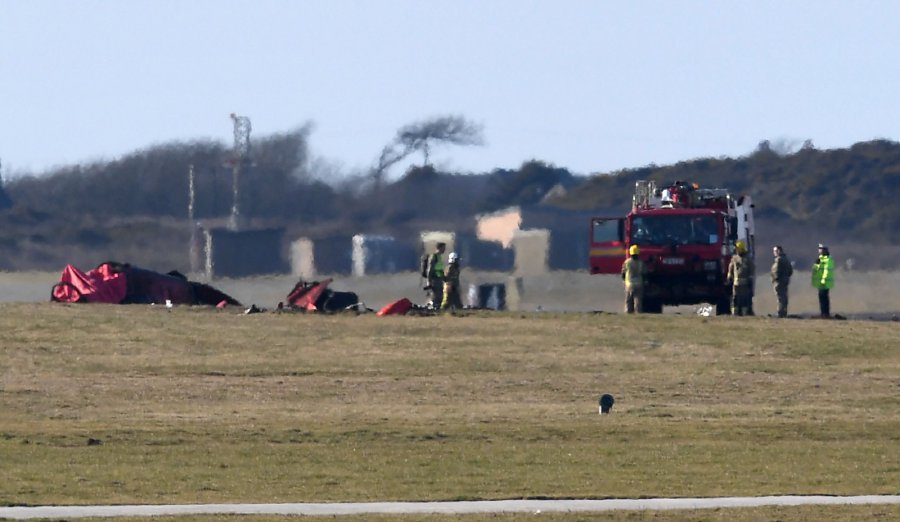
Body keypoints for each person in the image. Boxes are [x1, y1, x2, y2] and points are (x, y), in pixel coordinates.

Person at [726, 240, 754, 316]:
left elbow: (751, 269)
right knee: (735, 298)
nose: (737, 250)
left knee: (744, 298)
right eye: (737, 249)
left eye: (738, 249)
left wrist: (750, 279)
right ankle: (735, 312)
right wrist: (729, 277)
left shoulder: (747, 259)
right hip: (736, 283)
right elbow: (730, 268)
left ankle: (744, 313)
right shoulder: (734, 258)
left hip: (745, 283)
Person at [812, 243, 834, 318]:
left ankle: (825, 313)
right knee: (822, 298)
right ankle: (823, 313)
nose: (819, 250)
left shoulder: (827, 259)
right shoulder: (820, 259)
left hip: (824, 282)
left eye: (820, 249)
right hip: (820, 282)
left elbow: (826, 271)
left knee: (824, 298)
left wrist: (823, 280)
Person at [770, 245, 793, 318]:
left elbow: (776, 271)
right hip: (785, 281)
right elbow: (790, 271)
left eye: (775, 251)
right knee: (784, 297)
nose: (774, 253)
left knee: (780, 298)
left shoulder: (779, 260)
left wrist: (775, 279)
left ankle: (780, 313)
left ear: (779, 251)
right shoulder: (786, 259)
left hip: (779, 282)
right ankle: (784, 312)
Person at [621, 244, 645, 313]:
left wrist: (624, 281)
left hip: (629, 284)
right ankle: (638, 313)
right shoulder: (641, 263)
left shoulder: (627, 262)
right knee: (638, 300)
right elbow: (644, 273)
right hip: (639, 284)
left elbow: (623, 273)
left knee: (628, 300)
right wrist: (645, 281)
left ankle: (628, 313)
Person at [423, 242, 446, 309]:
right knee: (436, 295)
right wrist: (429, 281)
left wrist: (444, 278)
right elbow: (430, 270)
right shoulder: (434, 257)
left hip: (439, 278)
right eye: (443, 248)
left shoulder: (439, 257)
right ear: (439, 248)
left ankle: (436, 306)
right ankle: (433, 307)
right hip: (434, 279)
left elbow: (440, 269)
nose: (444, 250)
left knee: (439, 295)